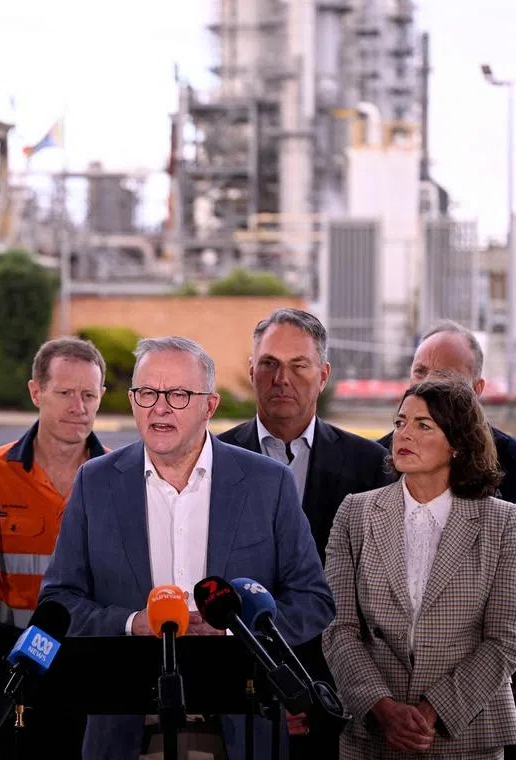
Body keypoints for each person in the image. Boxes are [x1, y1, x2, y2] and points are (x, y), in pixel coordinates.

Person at [40, 336, 335, 760]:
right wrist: (132, 623)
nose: (159, 408)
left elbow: (313, 601)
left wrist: (236, 631)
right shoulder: (96, 482)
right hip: (124, 732)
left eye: (178, 395)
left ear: (209, 406)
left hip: (241, 728)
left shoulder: (267, 484)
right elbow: (58, 601)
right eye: (147, 394)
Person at [377, 320, 516, 760]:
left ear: (477, 388)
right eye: (420, 372)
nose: (428, 387)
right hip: (394, 705)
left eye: (445, 378)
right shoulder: (381, 460)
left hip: (494, 698)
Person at [325, 375, 516, 759]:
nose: (404, 435)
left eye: (424, 425)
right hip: (372, 734)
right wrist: (384, 710)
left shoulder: (502, 522)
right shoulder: (355, 513)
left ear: (457, 443)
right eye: (400, 423)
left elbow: (505, 641)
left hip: (465, 735)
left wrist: (429, 712)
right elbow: (339, 630)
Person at [219, 307, 392, 757]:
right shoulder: (212, 461)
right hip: (238, 691)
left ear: (323, 374)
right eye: (270, 364)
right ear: (251, 370)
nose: (283, 379)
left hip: (335, 694)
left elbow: (374, 595)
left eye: (299, 365)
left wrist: (319, 689)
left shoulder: (369, 466)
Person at [0, 337, 108, 758]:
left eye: (89, 395)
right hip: (10, 667)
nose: (77, 407)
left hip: (91, 666)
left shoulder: (121, 480)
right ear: (35, 392)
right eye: (64, 393)